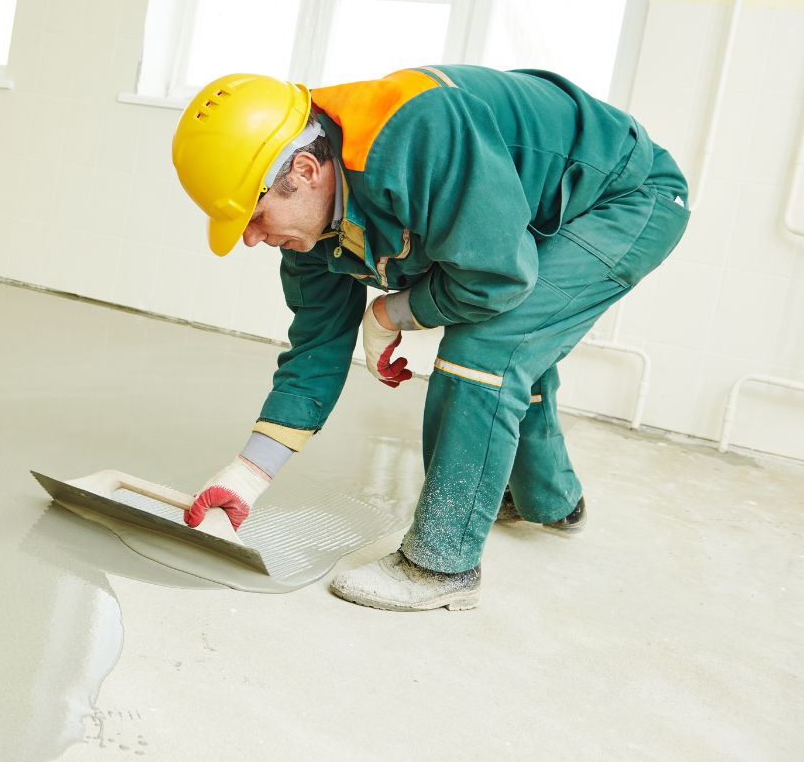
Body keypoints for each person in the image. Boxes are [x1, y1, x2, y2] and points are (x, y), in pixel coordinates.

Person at [171, 65, 689, 613]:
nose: (252, 238)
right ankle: (549, 500)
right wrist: (246, 476)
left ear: (304, 169)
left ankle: (440, 564)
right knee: (516, 337)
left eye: (254, 217)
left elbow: (499, 278)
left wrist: (394, 312)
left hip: (627, 198)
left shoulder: (417, 136)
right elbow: (315, 349)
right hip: (547, 206)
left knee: (486, 347)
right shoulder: (310, 233)